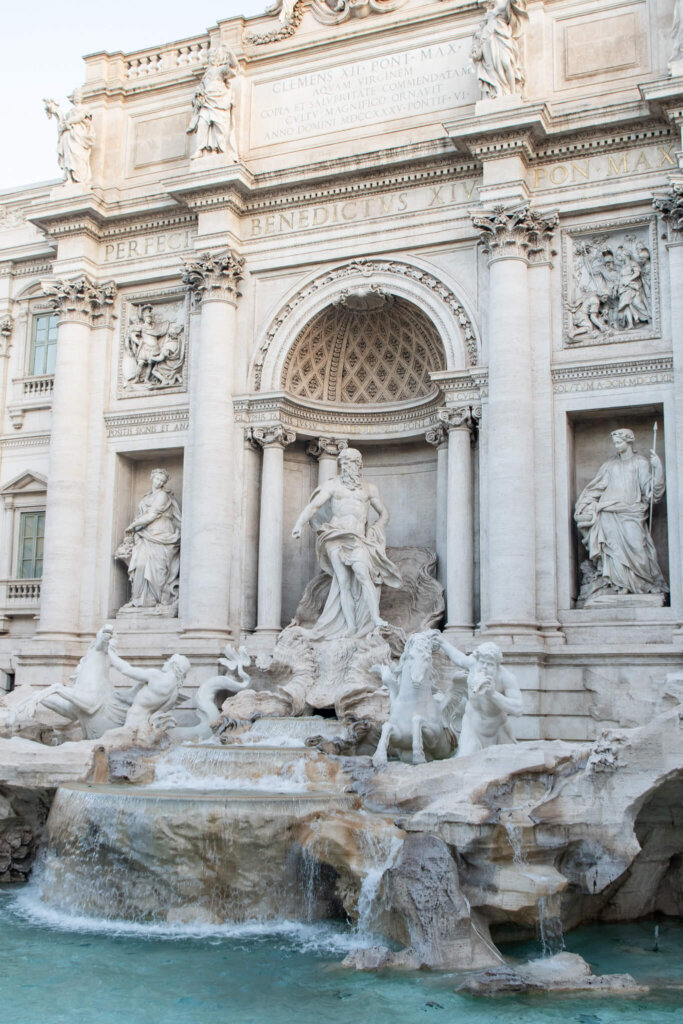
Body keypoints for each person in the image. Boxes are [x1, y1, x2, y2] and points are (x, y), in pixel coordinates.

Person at [291, 447, 401, 637]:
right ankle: (350, 626)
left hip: (357, 538)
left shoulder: (369, 488)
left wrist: (377, 527)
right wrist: (298, 524)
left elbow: (384, 513)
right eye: (343, 463)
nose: (346, 466)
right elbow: (314, 506)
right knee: (343, 582)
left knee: (363, 574)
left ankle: (375, 618)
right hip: (335, 535)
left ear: (359, 465)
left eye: (350, 462)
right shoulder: (332, 486)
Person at [574, 429, 667, 598]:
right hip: (609, 513)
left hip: (632, 512)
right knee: (613, 551)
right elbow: (596, 488)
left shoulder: (641, 463)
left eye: (619, 442)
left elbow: (651, 493)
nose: (616, 446)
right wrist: (585, 504)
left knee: (638, 547)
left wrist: (658, 469)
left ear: (629, 442)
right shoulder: (609, 465)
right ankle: (619, 585)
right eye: (615, 443)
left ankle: (644, 584)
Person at [435, 636, 523, 757]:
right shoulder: (473, 665)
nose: (484, 667)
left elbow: (518, 709)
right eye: (482, 662)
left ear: (497, 665)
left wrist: (493, 694)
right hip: (472, 726)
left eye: (490, 664)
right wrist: (442, 642)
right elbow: (459, 658)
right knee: (465, 760)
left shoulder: (506, 678)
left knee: (504, 765)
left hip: (498, 729)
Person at [117, 468, 181, 610]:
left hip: (161, 533)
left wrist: (132, 526)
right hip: (145, 535)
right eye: (157, 479)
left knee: (158, 569)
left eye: (162, 481)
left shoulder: (163, 495)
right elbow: (141, 516)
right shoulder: (146, 497)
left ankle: (156, 600)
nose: (159, 482)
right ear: (152, 478)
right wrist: (135, 530)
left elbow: (152, 515)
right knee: (140, 565)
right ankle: (138, 599)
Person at [107, 640, 190, 736]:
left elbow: (126, 669)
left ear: (174, 665)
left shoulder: (156, 676)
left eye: (168, 661)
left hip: (133, 724)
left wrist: (110, 652)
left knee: (107, 737)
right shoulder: (174, 693)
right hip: (145, 727)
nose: (165, 663)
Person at [471, 0, 528, 100]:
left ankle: (512, 92)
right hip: (489, 39)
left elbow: (517, 7)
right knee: (491, 67)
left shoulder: (506, 2)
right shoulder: (490, 9)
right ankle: (498, 90)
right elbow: (481, 28)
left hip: (502, 36)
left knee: (506, 63)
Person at [187, 50, 238, 160]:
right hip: (206, 102)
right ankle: (200, 149)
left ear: (217, 59)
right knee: (202, 124)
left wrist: (230, 53)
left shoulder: (220, 71)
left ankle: (222, 149)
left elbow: (233, 67)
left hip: (219, 102)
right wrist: (198, 95)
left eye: (213, 57)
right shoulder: (205, 75)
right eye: (210, 57)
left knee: (220, 127)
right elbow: (200, 89)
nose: (211, 59)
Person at [44, 90, 95, 187]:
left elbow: (81, 116)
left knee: (78, 157)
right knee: (69, 158)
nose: (77, 98)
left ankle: (80, 178)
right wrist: (56, 113)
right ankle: (70, 178)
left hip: (79, 136)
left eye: (78, 96)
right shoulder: (70, 111)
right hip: (69, 136)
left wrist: (69, 122)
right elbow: (62, 123)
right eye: (75, 96)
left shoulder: (85, 108)